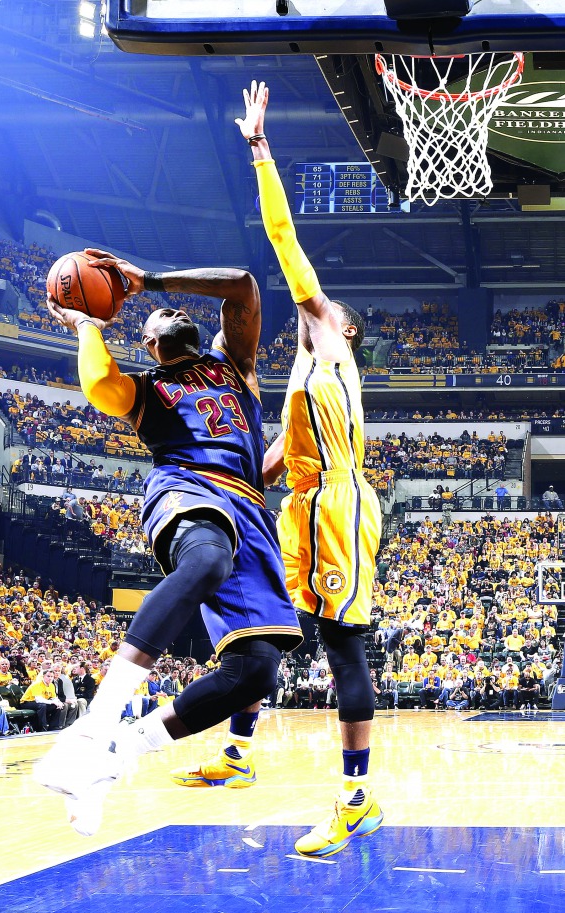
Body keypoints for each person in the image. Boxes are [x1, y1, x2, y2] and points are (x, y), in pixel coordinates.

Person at [34, 254, 302, 835]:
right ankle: (93, 727)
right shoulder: (146, 389)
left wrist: (147, 280)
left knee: (257, 672)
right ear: (150, 342)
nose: (174, 310)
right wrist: (87, 326)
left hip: (251, 510)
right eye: (158, 314)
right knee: (206, 560)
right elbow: (101, 385)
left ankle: (114, 757)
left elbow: (243, 284)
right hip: (187, 486)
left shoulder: (234, 365)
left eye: (177, 307)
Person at [239, 80, 383, 857]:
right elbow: (265, 468)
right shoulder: (297, 378)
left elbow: (285, 243)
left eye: (320, 307)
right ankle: (235, 749)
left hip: (337, 504)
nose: (307, 308)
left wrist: (262, 151)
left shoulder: (331, 344)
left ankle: (355, 798)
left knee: (340, 650)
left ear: (341, 328)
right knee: (262, 621)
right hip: (301, 500)